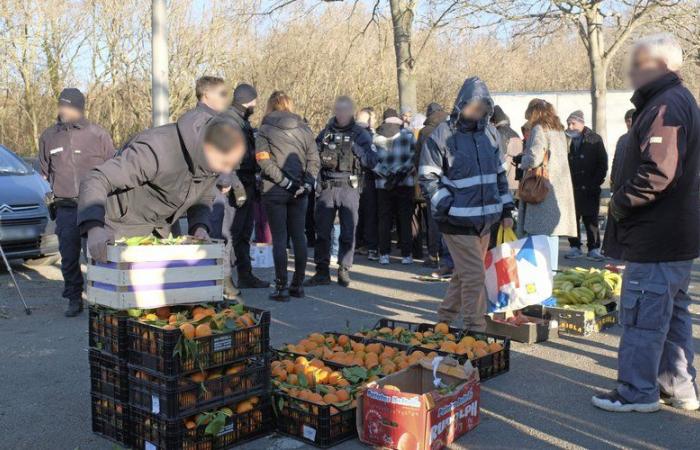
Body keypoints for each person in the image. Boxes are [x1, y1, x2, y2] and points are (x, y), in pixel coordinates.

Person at [592, 34, 700, 413]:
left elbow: (659, 172)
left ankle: (637, 393)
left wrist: (620, 204)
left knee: (643, 317)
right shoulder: (675, 100)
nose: (634, 70)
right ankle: (680, 387)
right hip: (674, 237)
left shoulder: (666, 104)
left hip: (657, 236)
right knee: (671, 318)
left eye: (641, 62)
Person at [78, 116, 246, 267]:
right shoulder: (156, 150)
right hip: (118, 227)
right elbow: (97, 178)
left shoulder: (211, 163)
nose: (227, 170)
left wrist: (199, 226)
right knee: (128, 295)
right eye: (224, 163)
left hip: (161, 231)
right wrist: (94, 227)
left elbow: (203, 194)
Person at [419, 77, 514, 331]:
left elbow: (499, 176)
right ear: (461, 104)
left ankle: (443, 322)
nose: (477, 112)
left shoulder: (491, 134)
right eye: (472, 106)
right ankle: (476, 330)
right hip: (455, 221)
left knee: (464, 275)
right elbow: (428, 177)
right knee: (474, 275)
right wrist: (448, 207)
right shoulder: (443, 134)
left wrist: (506, 209)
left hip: (485, 220)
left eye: (482, 108)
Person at [38, 88, 114, 317]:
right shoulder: (49, 136)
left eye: (68, 106)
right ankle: (73, 298)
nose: (63, 109)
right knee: (69, 256)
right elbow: (43, 172)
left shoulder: (98, 134)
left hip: (94, 207)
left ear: (79, 108)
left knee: (98, 255)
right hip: (65, 208)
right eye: (61, 105)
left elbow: (114, 168)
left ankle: (102, 301)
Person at [179, 76, 242, 299]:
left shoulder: (186, 119)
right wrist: (226, 180)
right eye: (221, 94)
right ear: (206, 95)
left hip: (190, 188)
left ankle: (199, 286)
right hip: (212, 187)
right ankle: (221, 286)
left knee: (198, 234)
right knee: (218, 237)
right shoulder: (212, 121)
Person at [306, 96, 377, 288]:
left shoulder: (360, 134)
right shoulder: (325, 133)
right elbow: (313, 159)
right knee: (322, 232)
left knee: (348, 231)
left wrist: (355, 149)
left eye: (345, 110)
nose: (341, 114)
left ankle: (344, 269)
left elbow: (372, 161)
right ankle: (321, 271)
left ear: (352, 112)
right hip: (327, 187)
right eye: (338, 110)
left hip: (349, 187)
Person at [255, 91, 320, 301]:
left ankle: (281, 287)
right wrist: (307, 184)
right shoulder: (305, 129)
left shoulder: (264, 129)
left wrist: (286, 183)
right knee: (299, 236)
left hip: (275, 190)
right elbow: (314, 160)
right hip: (300, 190)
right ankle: (298, 285)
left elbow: (263, 161)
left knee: (280, 239)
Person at [220, 83, 269, 289]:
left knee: (243, 233)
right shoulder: (230, 122)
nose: (255, 105)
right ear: (247, 100)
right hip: (236, 183)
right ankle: (227, 278)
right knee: (231, 234)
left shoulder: (240, 121)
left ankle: (245, 275)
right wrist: (231, 182)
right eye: (254, 101)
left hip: (247, 181)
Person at [517, 99, 577, 238]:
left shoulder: (539, 129)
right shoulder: (559, 130)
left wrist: (522, 160)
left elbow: (535, 158)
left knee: (538, 239)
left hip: (541, 189)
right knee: (551, 239)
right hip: (558, 189)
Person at [374, 109, 416, 265]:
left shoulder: (376, 137)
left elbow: (372, 162)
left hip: (382, 184)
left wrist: (386, 173)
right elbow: (414, 158)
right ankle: (406, 255)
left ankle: (384, 254)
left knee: (384, 219)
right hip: (405, 182)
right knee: (405, 218)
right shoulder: (408, 134)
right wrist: (401, 172)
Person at [564, 110, 608, 261]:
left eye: (573, 123)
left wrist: (595, 182)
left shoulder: (594, 139)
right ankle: (575, 246)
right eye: (568, 123)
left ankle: (594, 248)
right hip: (571, 188)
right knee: (572, 218)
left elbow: (603, 163)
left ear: (582, 123)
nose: (570, 126)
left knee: (591, 219)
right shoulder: (565, 139)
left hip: (590, 187)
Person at [417, 102, 449, 269]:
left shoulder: (425, 132)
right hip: (451, 181)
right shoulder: (452, 129)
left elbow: (419, 159)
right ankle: (447, 256)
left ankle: (433, 255)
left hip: (432, 180)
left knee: (433, 220)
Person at [355, 107, 379, 260]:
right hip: (367, 178)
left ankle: (355, 244)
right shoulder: (369, 136)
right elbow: (373, 161)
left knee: (355, 213)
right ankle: (370, 247)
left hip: (352, 179)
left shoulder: (348, 134)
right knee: (370, 213)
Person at [491, 105, 522, 192]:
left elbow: (501, 160)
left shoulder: (499, 133)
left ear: (494, 121)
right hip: (517, 180)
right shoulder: (516, 133)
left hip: (506, 181)